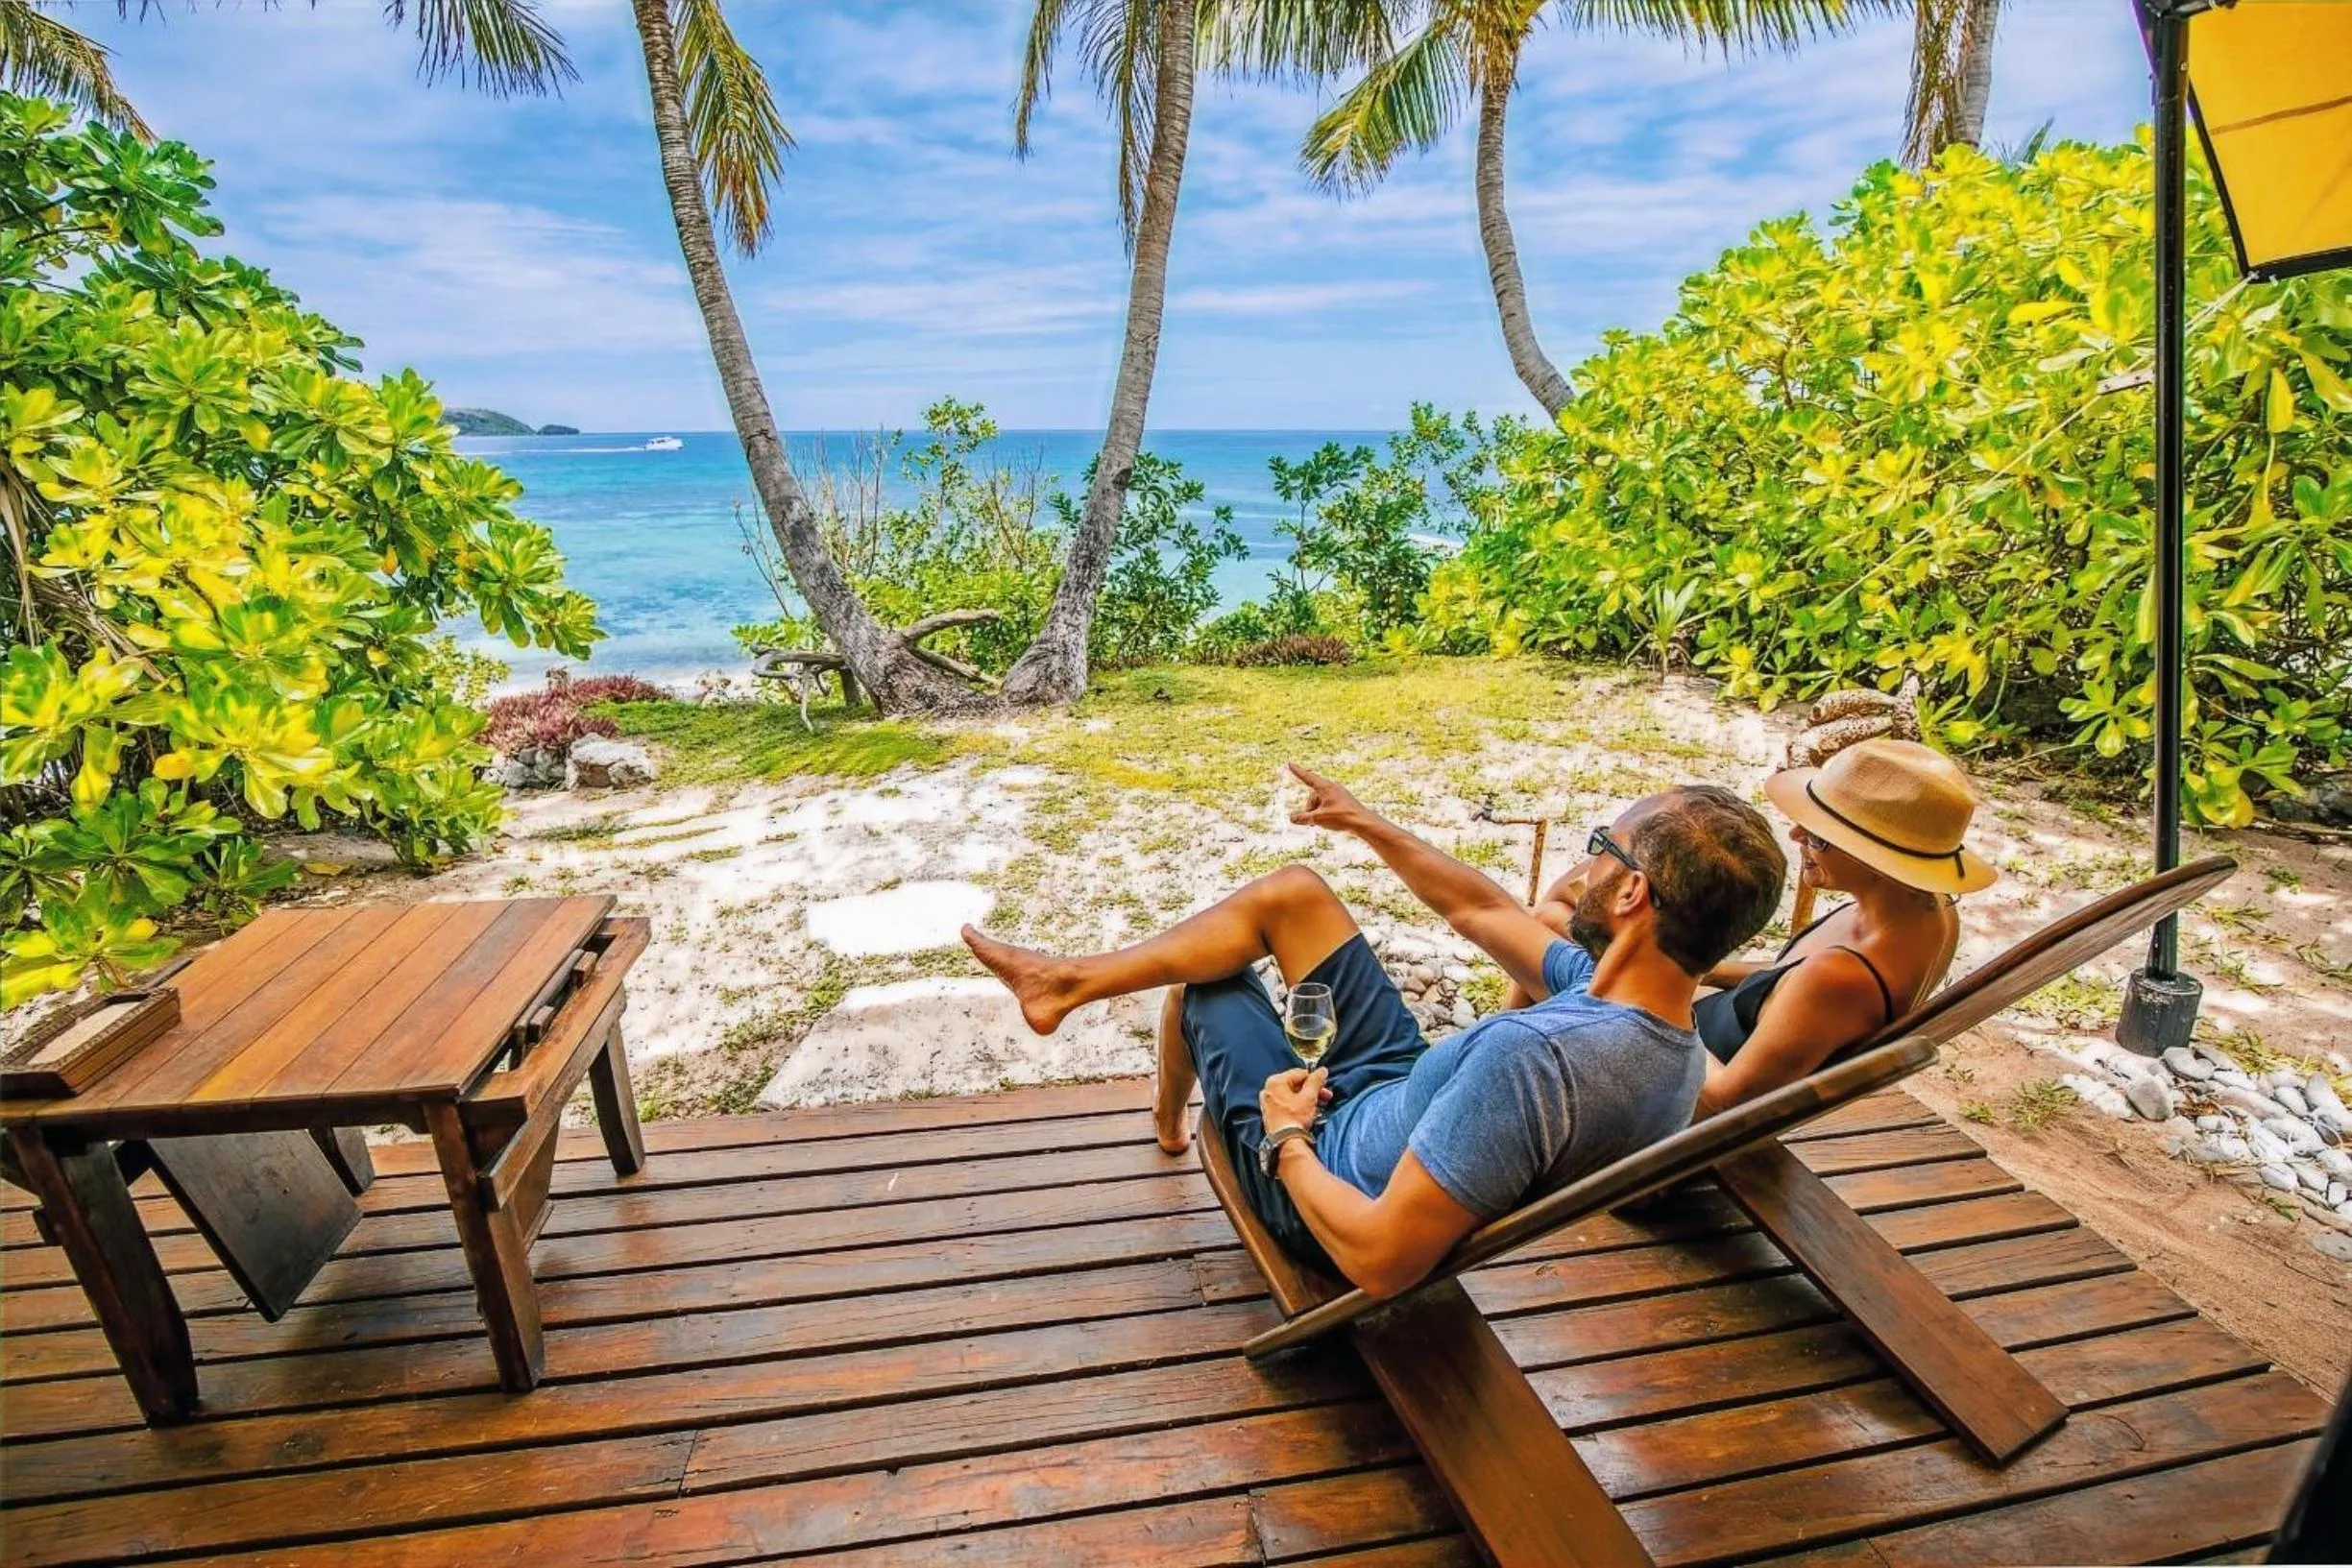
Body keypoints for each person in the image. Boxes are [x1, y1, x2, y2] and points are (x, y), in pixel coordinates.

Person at [961, 764, 1786, 1299]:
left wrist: (1287, 1138)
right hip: (1411, 1097)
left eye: (1601, 847)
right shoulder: (1657, 1029)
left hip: (1335, 1178)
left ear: (1633, 894)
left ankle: (1166, 1120)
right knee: (1294, 895)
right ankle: (1066, 983)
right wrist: (1365, 822)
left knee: (1207, 984)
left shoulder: (1532, 1058)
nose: (1583, 866)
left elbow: (1381, 1262)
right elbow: (1480, 908)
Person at [1509, 738, 1994, 1121]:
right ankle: (1499, 1037)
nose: (1798, 836)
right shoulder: (1927, 915)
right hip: (1707, 1031)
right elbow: (1788, 984)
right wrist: (1704, 969)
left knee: (1555, 915)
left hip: (1669, 1097)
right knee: (1575, 909)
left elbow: (1724, 1102)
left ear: (1881, 862)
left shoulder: (1841, 978)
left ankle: (1498, 1051)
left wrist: (1654, 1008)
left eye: (1822, 837)